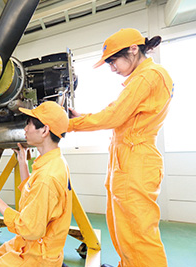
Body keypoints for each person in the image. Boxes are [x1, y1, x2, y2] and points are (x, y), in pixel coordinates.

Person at [68, 28, 174, 267]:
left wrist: (70, 124)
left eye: (113, 60)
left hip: (135, 159)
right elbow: (119, 113)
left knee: (139, 233)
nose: (112, 67)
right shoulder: (141, 79)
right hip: (126, 158)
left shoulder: (148, 77)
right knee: (123, 228)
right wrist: (82, 116)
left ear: (134, 49)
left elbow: (114, 116)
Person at [0, 101, 72, 266]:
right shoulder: (53, 161)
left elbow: (29, 229)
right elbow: (32, 193)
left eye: (29, 125)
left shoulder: (47, 177)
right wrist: (22, 161)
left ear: (45, 130)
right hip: (31, 243)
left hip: (38, 254)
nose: (25, 129)